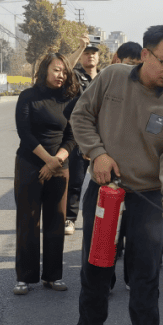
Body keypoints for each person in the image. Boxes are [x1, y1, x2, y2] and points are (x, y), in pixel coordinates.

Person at [68, 25, 163, 325]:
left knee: (145, 274)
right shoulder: (112, 78)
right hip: (107, 190)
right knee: (96, 268)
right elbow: (80, 118)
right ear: (145, 55)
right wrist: (97, 154)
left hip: (149, 197)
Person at [14, 52, 80, 295]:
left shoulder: (71, 98)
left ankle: (53, 276)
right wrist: (48, 160)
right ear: (45, 70)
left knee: (57, 220)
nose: (61, 75)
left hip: (60, 165)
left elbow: (73, 135)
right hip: (30, 164)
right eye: (56, 70)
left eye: (64, 71)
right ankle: (24, 277)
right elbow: (25, 134)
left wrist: (57, 161)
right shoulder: (28, 97)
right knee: (28, 220)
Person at [64, 36, 98, 236]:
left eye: (93, 52)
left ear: (99, 57)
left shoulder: (105, 76)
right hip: (79, 138)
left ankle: (99, 220)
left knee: (103, 183)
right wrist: (80, 47)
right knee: (76, 181)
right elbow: (65, 67)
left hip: (102, 140)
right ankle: (70, 219)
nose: (90, 55)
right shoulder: (75, 76)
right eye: (87, 53)